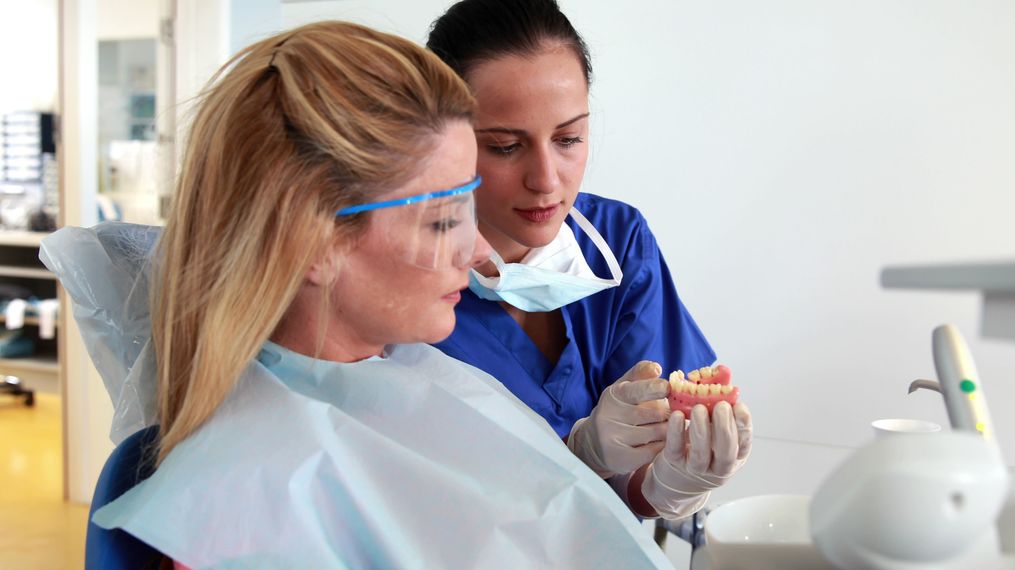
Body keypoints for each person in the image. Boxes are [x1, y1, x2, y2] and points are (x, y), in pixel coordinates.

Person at [48, 21, 672, 568]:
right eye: (442, 220)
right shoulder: (251, 506)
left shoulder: (407, 380)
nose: (479, 253)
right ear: (314, 240)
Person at [426, 0, 753, 520]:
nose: (547, 180)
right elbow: (412, 501)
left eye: (569, 139)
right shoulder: (403, 284)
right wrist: (577, 455)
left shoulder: (619, 242)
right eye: (507, 146)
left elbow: (635, 488)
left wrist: (674, 479)